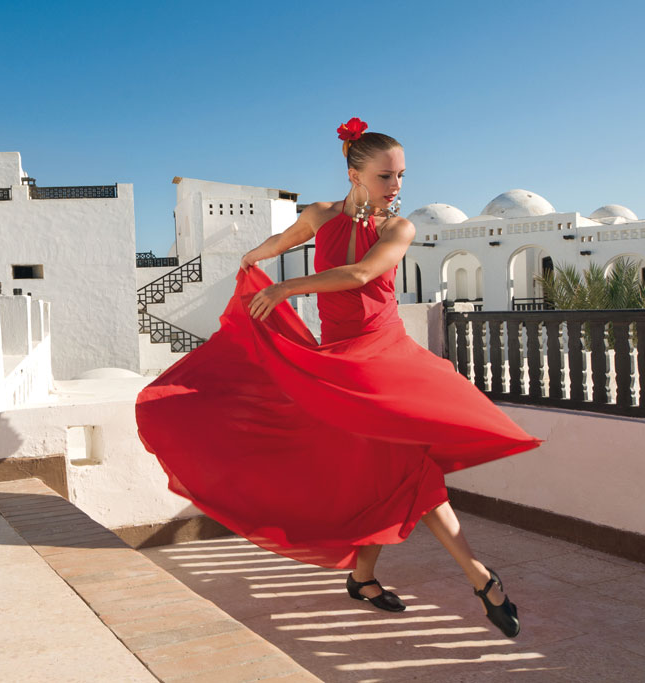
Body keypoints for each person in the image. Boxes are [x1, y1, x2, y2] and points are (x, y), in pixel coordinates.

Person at [135, 117, 543, 638]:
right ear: (354, 174)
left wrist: (285, 290)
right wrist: (253, 263)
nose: (396, 187)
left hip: (383, 355)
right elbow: (280, 241)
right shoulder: (320, 214)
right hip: (337, 361)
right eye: (385, 177)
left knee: (401, 463)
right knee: (388, 467)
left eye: (400, 176)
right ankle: (384, 577)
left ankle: (471, 578)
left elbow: (362, 275)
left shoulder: (399, 227)